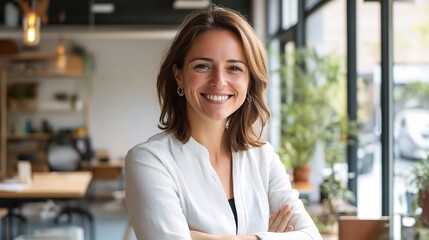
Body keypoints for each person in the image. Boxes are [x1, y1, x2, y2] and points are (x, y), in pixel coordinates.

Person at [125, 5, 322, 240]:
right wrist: (267, 236)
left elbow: (311, 237)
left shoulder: (263, 157)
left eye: (234, 68)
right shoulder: (150, 160)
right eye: (203, 66)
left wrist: (201, 237)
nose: (219, 81)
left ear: (250, 80)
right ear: (179, 74)